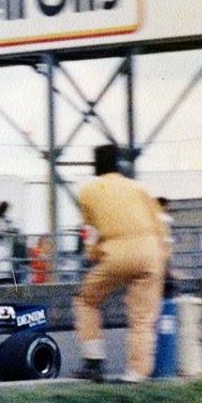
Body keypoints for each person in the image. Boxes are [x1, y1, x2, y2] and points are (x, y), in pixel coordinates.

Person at [73, 144, 169, 383]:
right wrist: (164, 261)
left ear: (96, 166)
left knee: (86, 300)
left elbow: (90, 232)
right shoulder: (138, 188)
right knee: (142, 317)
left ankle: (94, 362)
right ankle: (136, 373)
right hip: (150, 253)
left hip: (115, 254)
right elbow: (160, 227)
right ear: (119, 164)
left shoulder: (88, 191)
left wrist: (94, 256)